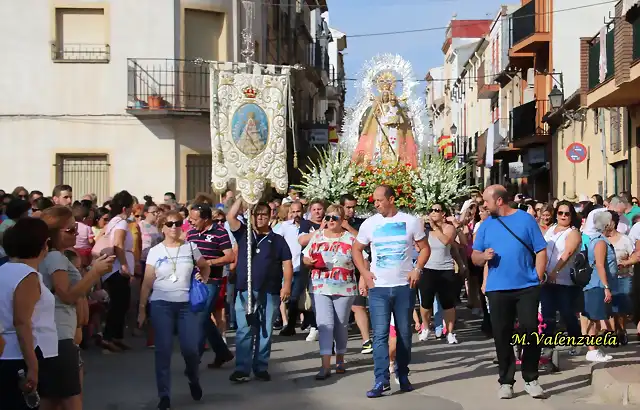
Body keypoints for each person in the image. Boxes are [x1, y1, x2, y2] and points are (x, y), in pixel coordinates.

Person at [352, 185, 429, 398]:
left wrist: (417, 269)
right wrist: (365, 273)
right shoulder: (369, 224)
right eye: (374, 201)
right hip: (379, 288)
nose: (375, 204)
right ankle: (381, 380)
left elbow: (425, 248)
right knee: (380, 335)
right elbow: (356, 249)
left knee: (404, 333)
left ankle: (402, 375)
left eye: (379, 200)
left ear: (391, 199)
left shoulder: (410, 221)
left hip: (404, 286)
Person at [471, 185, 547, 399]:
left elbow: (540, 249)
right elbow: (474, 257)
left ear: (499, 201)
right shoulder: (485, 226)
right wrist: (483, 256)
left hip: (527, 287)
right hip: (497, 289)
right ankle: (506, 381)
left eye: (486, 201)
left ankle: (531, 378)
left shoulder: (525, 220)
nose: (483, 205)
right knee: (502, 335)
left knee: (530, 329)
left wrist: (538, 277)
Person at [39, 206, 115, 409]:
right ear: (54, 233)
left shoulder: (58, 257)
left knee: (53, 399)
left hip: (59, 333)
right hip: (59, 334)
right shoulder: (55, 257)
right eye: (70, 230)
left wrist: (91, 270)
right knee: (70, 399)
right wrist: (94, 273)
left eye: (76, 229)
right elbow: (67, 295)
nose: (76, 233)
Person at [138, 211, 211, 410]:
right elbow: (146, 282)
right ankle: (164, 396)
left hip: (186, 304)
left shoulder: (190, 247)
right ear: (162, 227)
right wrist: (142, 309)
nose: (173, 227)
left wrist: (202, 278)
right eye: (169, 224)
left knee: (191, 350)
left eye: (177, 223)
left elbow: (205, 266)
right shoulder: (155, 251)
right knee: (163, 351)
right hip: (161, 303)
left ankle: (193, 377)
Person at [226, 198, 293, 383]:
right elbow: (231, 216)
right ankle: (242, 369)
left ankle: (261, 366)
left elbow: (287, 263)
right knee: (244, 329)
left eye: (264, 214)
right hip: (245, 290)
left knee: (265, 330)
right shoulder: (244, 234)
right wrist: (244, 195)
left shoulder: (277, 240)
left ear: (270, 216)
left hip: (269, 291)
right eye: (256, 214)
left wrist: (286, 285)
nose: (260, 218)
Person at [0, 218, 58, 410]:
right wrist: (33, 367)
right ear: (43, 245)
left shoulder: (4, 271)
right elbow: (22, 321)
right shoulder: (26, 276)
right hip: (23, 355)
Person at [302, 204, 357, 379]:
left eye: (335, 218)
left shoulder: (350, 238)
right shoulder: (317, 236)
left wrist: (364, 279)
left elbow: (363, 259)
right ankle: (325, 365)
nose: (330, 221)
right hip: (320, 285)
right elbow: (305, 255)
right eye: (328, 217)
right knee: (325, 325)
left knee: (341, 325)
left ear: (342, 220)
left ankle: (339, 357)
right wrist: (308, 261)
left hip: (344, 286)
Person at [187, 203, 235, 368]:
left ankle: (194, 358)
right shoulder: (191, 233)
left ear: (206, 219)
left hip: (212, 281)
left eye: (194, 219)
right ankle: (222, 352)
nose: (191, 221)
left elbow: (230, 256)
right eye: (190, 218)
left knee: (200, 318)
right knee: (203, 318)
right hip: (194, 281)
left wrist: (210, 263)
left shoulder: (220, 232)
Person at [340, 194, 372, 354]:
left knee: (359, 306)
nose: (351, 210)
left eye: (353, 207)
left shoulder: (360, 224)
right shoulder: (333, 222)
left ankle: (366, 340)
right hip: (339, 272)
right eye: (348, 207)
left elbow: (365, 243)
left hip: (358, 270)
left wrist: (348, 227)